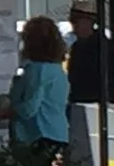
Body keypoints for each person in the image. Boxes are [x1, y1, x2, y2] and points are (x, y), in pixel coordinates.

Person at [5, 15, 74, 149]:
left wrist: (4, 113)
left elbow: (29, 108)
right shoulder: (58, 71)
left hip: (39, 135)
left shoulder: (37, 70)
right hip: (59, 134)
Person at [62, 0, 114, 108]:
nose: (73, 26)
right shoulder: (77, 46)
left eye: (76, 21)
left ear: (90, 21)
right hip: (80, 103)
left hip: (96, 105)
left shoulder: (103, 47)